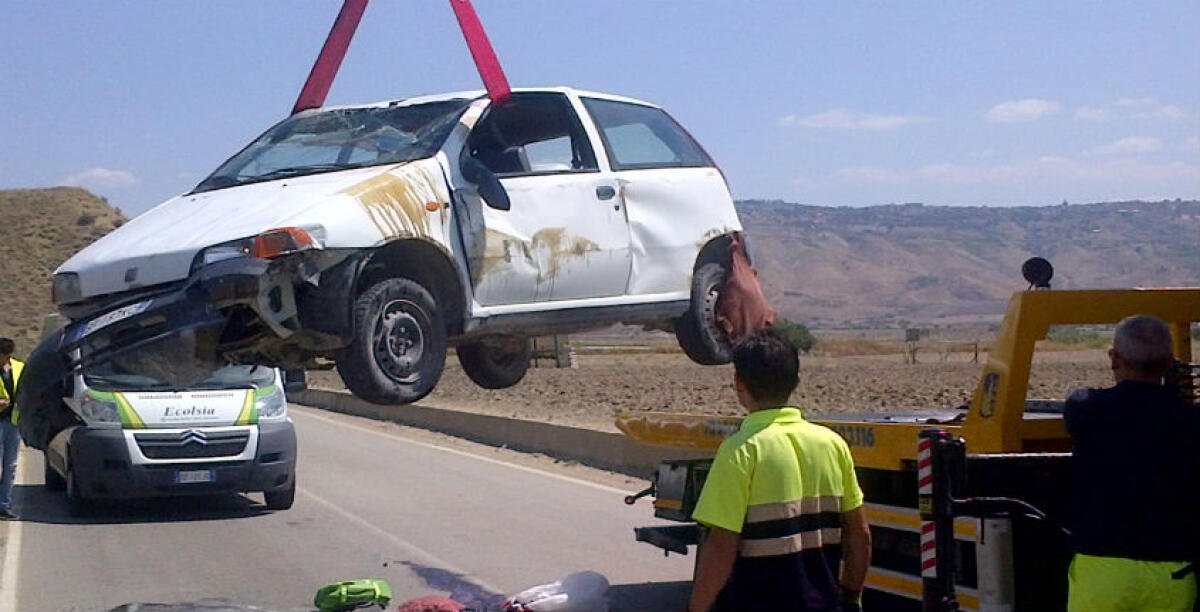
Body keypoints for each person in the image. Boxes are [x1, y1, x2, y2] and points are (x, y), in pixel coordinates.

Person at [688, 328, 871, 612]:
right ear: (796, 381)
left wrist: (696, 608)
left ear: (739, 383)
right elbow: (859, 534)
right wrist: (850, 595)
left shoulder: (741, 450)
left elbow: (722, 546)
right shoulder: (833, 445)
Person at [1064, 314, 1199, 612]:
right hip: (1171, 573)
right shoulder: (1190, 421)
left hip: (1102, 572)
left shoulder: (1085, 411)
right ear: (1169, 363)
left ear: (1114, 359)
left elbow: (1080, 402)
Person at [0, 338, 24, 520]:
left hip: (13, 423)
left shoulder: (20, 368)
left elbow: (25, 393)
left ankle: (4, 505)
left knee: (10, 466)